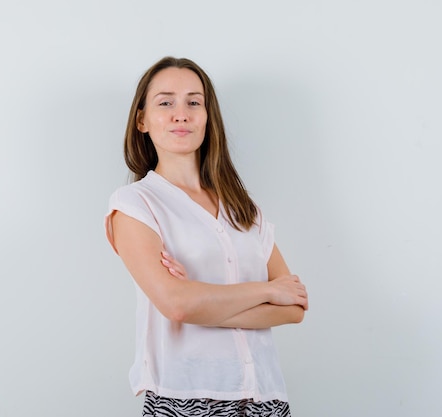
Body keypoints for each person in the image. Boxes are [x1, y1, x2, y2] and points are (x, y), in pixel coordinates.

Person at [104, 56, 309, 417]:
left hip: (267, 398)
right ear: (142, 120)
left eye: (194, 102)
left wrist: (203, 302)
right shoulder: (135, 203)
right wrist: (265, 291)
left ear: (207, 116)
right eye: (165, 102)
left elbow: (293, 308)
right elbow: (177, 305)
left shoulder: (244, 209)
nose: (180, 114)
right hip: (185, 397)